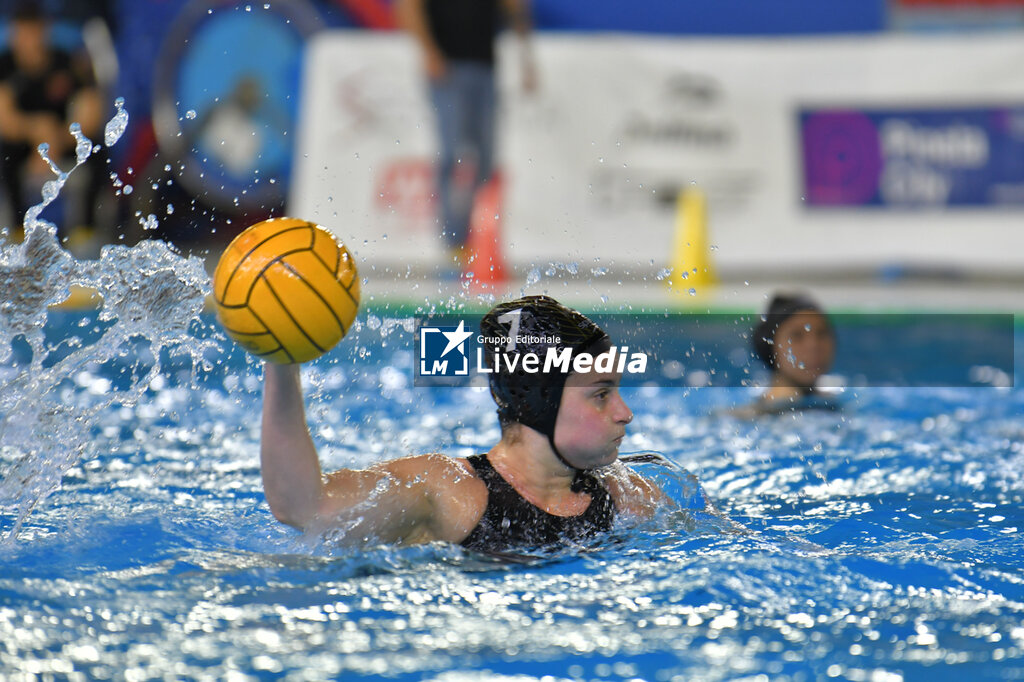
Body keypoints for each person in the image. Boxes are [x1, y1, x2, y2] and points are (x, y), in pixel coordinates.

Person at [260, 295, 666, 552]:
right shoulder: (449, 493)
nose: (624, 412)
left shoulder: (630, 498)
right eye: (601, 394)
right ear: (542, 401)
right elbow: (304, 508)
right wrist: (280, 363)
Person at [395, 0, 536, 268]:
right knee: (451, 154)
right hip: (448, 67)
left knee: (486, 158)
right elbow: (408, 8)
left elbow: (516, 9)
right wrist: (429, 52)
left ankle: (479, 236)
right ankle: (453, 241)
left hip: (485, 69)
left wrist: (526, 59)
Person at [0, 2, 103, 241]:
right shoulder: (5, 66)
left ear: (46, 30)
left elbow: (91, 109)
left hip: (62, 138)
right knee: (6, 153)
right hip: (24, 142)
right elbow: (5, 119)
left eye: (35, 31)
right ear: (14, 32)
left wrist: (56, 137)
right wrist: (37, 130)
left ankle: (86, 231)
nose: (30, 39)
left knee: (96, 150)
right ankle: (18, 230)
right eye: (24, 32)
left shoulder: (65, 62)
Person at [736, 293, 838, 416]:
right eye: (797, 336)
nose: (813, 345)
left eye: (821, 333)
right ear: (770, 347)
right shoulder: (750, 417)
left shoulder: (830, 403)